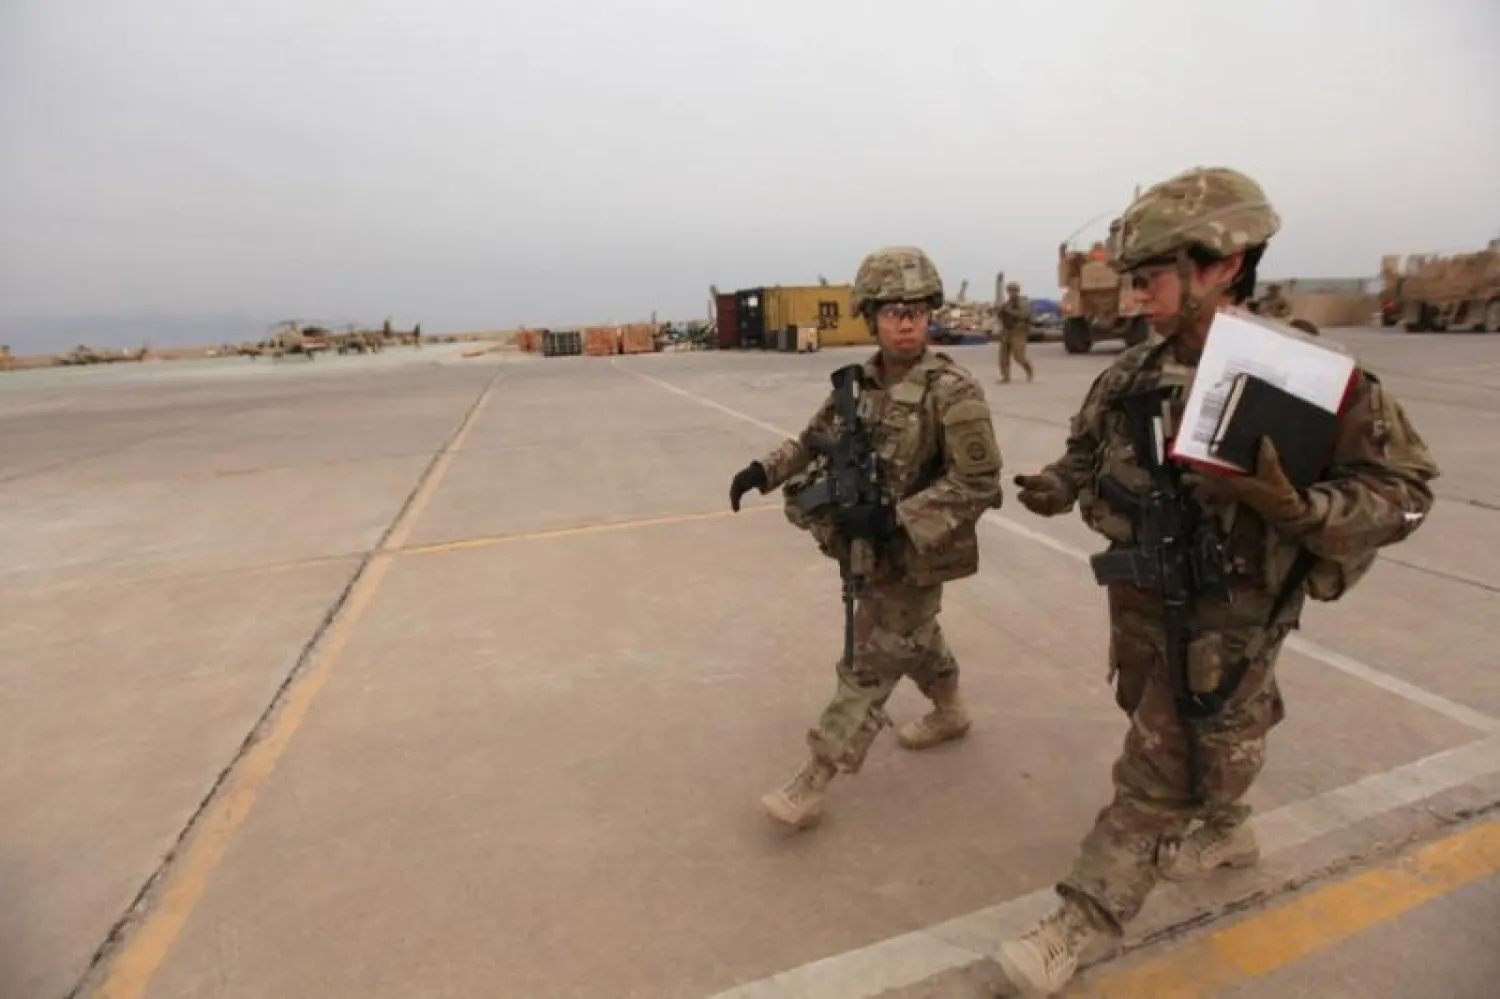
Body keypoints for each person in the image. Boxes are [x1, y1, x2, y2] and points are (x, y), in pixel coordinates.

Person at [996, 166, 1440, 996]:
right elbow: (1086, 451)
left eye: (1152, 279)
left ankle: (1082, 919)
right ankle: (1229, 822)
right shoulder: (1131, 377)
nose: (1134, 300)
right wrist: (1059, 484)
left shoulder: (1306, 378)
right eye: (1131, 281)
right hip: (1141, 602)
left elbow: (1405, 493)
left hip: (1233, 613)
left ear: (1223, 266)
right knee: (1180, 733)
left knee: (1155, 771)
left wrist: (1302, 508)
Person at [727, 246, 1004, 830]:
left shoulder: (953, 391)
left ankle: (814, 777)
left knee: (872, 659)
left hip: (921, 550)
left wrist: (898, 518)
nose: (906, 321)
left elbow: (977, 481)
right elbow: (812, 438)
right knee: (915, 637)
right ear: (871, 316)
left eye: (917, 310)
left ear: (931, 314)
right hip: (865, 548)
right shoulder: (855, 386)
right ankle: (950, 709)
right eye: (892, 310)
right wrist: (763, 471)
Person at [996, 281, 1035, 383]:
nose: (1012, 293)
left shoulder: (1023, 302)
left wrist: (1008, 311)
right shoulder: (1007, 303)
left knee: (1019, 356)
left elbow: (1023, 315)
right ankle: (1006, 377)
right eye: (1010, 291)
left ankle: (1029, 370)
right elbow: (999, 315)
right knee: (1003, 356)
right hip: (1007, 331)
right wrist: (1000, 310)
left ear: (1017, 291)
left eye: (1014, 290)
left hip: (1019, 332)